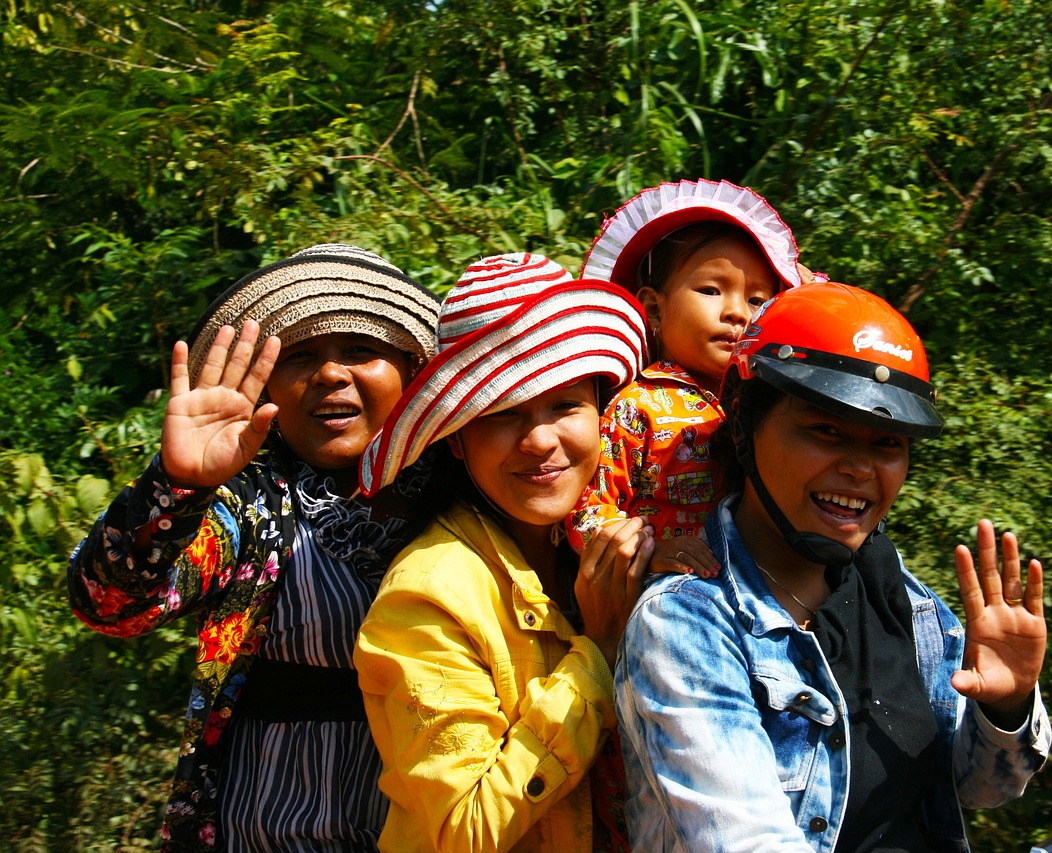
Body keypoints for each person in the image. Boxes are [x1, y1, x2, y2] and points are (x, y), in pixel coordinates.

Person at [614, 282, 1052, 852]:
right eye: (826, 431)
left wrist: (1006, 703)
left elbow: (983, 789)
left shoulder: (904, 603)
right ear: (744, 425)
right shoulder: (687, 622)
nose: (860, 468)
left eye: (888, 443)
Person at [68, 244, 442, 852]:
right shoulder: (248, 504)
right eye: (299, 357)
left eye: (359, 350)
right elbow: (110, 603)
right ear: (265, 384)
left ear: (411, 369)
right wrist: (175, 484)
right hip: (267, 827)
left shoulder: (463, 493)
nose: (329, 374)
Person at [354, 253, 651, 853]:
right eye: (504, 416)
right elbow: (464, 829)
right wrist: (596, 655)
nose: (541, 441)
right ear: (458, 442)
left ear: (601, 415)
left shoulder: (615, 547)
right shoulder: (428, 594)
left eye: (565, 406)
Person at [569, 179, 804, 579]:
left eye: (757, 300)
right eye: (712, 290)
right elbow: (586, 513)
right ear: (654, 310)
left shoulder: (764, 406)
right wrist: (651, 552)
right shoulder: (635, 408)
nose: (737, 313)